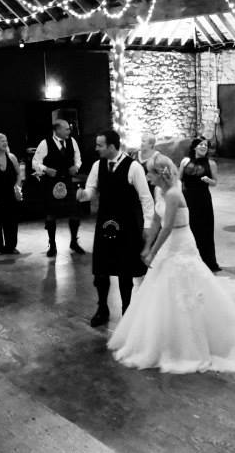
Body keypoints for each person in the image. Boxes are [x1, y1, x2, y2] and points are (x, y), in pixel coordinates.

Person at [108, 155, 235, 373]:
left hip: (180, 241)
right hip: (168, 243)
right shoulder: (159, 191)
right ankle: (164, 336)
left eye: (149, 172)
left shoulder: (174, 193)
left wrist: (152, 252)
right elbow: (157, 222)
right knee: (161, 287)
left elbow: (167, 227)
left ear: (160, 174)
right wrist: (147, 245)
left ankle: (191, 343)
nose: (147, 176)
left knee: (187, 285)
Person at [76, 130, 154, 327]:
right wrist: (82, 195)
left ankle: (127, 310)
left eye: (99, 145)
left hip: (127, 224)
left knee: (124, 271)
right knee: (101, 270)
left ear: (111, 146)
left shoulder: (133, 167)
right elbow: (91, 191)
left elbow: (146, 198)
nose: (96, 148)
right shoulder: (97, 165)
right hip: (104, 223)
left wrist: (147, 225)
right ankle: (102, 308)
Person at [32, 119, 85, 257]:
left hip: (67, 182)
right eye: (66, 129)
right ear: (57, 130)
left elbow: (78, 158)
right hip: (51, 183)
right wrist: (46, 169)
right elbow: (35, 162)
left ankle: (74, 241)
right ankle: (52, 245)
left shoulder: (72, 141)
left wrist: (77, 166)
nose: (69, 131)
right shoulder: (45, 143)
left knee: (74, 212)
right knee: (51, 214)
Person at [178, 137, 221, 272]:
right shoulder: (185, 161)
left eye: (206, 145)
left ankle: (206, 261)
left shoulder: (211, 163)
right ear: (194, 147)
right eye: (201, 145)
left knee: (204, 230)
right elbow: (179, 180)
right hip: (187, 198)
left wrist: (209, 180)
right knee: (188, 228)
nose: (204, 147)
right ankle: (187, 260)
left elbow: (215, 183)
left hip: (203, 200)